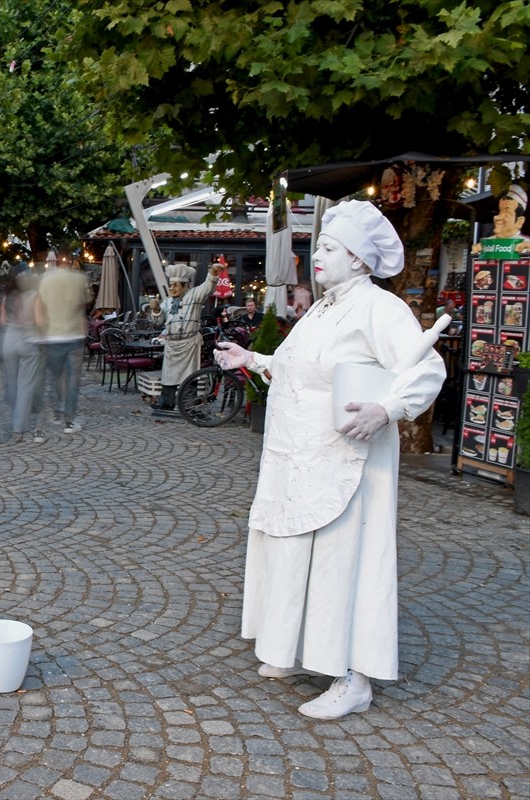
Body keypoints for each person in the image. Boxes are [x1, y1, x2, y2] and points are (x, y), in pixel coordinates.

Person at [215, 200, 446, 720]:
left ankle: (353, 676)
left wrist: (388, 409)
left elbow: (426, 368)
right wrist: (253, 359)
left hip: (347, 459)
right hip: (296, 455)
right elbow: (304, 368)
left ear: (360, 260)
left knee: (344, 562)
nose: (315, 255)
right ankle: (296, 647)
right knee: (296, 551)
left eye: (328, 248)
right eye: (318, 246)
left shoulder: (380, 309)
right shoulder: (324, 306)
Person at [152, 263, 218, 411]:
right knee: (168, 375)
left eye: (176, 285)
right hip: (172, 344)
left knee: (190, 376)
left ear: (185, 286)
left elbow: (208, 287)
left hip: (189, 343)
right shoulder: (167, 302)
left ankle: (188, 405)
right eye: (170, 286)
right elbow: (158, 322)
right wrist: (156, 311)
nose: (172, 289)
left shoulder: (194, 296)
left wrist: (213, 272)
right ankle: (166, 402)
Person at [34, 256, 89, 434]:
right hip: (74, 334)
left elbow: (39, 307)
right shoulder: (80, 278)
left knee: (56, 377)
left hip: (53, 335)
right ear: (71, 262)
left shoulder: (45, 280)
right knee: (72, 380)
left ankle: (56, 411)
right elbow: (85, 302)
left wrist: (41, 328)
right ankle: (69, 421)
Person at [1, 266, 44, 442]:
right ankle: (18, 429)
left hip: (9, 340)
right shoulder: (34, 295)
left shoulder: (8, 295)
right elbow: (40, 321)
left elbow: (3, 321)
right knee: (25, 386)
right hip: (28, 340)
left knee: (12, 385)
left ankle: (12, 420)